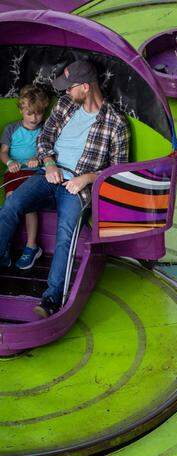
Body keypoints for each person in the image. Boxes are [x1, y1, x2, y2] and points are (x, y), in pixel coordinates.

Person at [0, 59, 129, 317]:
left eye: (70, 87)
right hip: (48, 175)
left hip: (77, 187)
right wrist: (48, 164)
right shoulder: (65, 105)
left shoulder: (116, 123)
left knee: (66, 234)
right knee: (11, 206)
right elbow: (45, 137)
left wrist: (88, 178)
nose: (65, 92)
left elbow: (119, 172)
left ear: (85, 87)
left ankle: (50, 299)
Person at [0, 85, 51, 270]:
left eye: (38, 113)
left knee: (29, 206)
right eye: (29, 113)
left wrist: (37, 159)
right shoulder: (11, 129)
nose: (34, 118)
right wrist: (9, 162)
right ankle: (4, 247)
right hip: (14, 172)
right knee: (10, 202)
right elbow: (3, 152)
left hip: (34, 173)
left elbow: (48, 152)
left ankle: (31, 247)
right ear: (21, 109)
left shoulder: (45, 129)